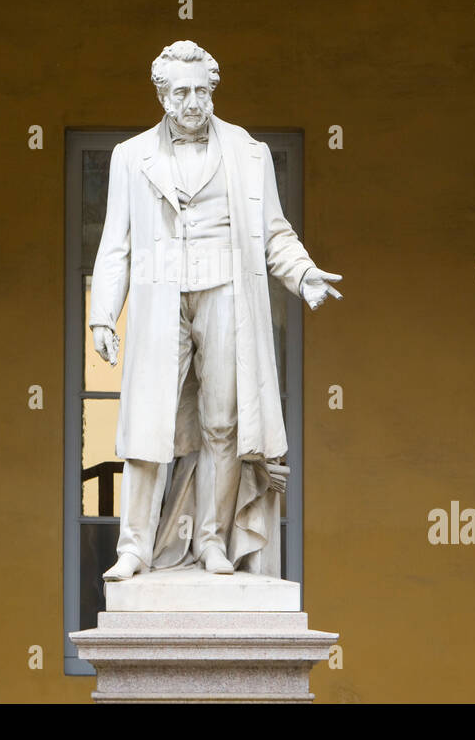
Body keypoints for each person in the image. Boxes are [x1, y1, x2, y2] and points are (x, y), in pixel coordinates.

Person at [89, 40, 342, 581]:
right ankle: (132, 546)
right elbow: (116, 244)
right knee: (146, 421)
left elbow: (274, 230)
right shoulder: (130, 158)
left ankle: (211, 540)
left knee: (223, 423)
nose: (193, 103)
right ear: (161, 95)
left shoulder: (247, 153)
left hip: (226, 291)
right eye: (181, 92)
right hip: (160, 294)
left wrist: (302, 273)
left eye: (202, 91)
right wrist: (103, 314)